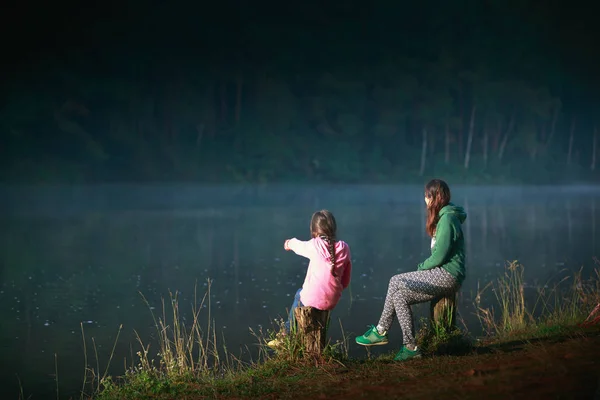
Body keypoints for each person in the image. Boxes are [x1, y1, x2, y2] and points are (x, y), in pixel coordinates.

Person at [354, 179, 466, 361]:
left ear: (435, 197)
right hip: (442, 274)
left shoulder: (448, 219)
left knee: (395, 280)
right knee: (399, 296)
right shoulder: (443, 217)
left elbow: (440, 256)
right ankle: (410, 347)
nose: (425, 199)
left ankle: (381, 330)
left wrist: (421, 269)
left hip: (448, 275)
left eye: (427, 195)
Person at [268, 209, 352, 348]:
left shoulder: (315, 245)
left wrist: (288, 243)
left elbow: (299, 245)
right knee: (307, 296)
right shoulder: (344, 248)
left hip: (312, 298)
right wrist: (337, 288)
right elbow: (346, 280)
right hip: (332, 299)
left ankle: (285, 335)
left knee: (299, 294)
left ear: (314, 230)